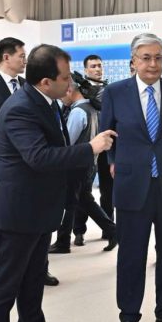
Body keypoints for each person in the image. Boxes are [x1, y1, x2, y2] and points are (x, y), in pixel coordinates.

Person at [0, 44, 115, 322]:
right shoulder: (20, 108)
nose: (71, 83)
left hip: (38, 208)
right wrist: (90, 148)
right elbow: (39, 157)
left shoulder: (46, 102)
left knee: (33, 278)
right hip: (14, 210)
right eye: (65, 77)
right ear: (45, 81)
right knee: (4, 282)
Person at [100, 33, 162, 322]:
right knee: (131, 255)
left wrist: (160, 160)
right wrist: (117, 161)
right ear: (133, 61)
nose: (153, 64)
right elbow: (107, 134)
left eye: (158, 57)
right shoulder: (115, 93)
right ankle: (128, 316)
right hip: (131, 185)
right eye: (146, 57)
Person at [0, 38, 58, 293]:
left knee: (36, 216)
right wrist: (14, 138)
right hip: (1, 164)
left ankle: (39, 268)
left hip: (33, 165)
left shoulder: (28, 87)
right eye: (21, 55)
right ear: (6, 57)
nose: (25, 60)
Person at [49, 77, 116, 253]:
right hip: (88, 164)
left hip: (76, 165)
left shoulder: (78, 112)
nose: (61, 98)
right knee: (78, 201)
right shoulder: (91, 108)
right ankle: (65, 241)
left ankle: (64, 242)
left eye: (62, 94)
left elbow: (68, 142)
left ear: (70, 90)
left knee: (74, 202)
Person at [74, 54, 114, 244]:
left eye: (99, 65)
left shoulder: (110, 90)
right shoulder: (79, 88)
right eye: (93, 66)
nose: (97, 69)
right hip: (87, 147)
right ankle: (78, 231)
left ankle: (109, 230)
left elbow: (104, 108)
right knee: (83, 191)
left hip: (107, 145)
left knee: (108, 191)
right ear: (86, 69)